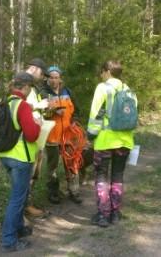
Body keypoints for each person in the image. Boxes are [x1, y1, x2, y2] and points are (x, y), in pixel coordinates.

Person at [87, 60, 137, 227]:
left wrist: (90, 135)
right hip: (125, 141)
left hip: (105, 141)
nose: (101, 75)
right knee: (118, 175)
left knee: (102, 176)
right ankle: (115, 213)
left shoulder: (103, 88)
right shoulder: (129, 90)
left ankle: (103, 214)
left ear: (107, 71)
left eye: (102, 72)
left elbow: (96, 114)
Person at [0, 72, 41, 252]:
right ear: (25, 87)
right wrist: (37, 123)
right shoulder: (22, 106)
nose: (30, 89)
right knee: (17, 199)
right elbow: (31, 135)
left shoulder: (4, 104)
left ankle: (19, 229)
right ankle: (9, 240)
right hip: (21, 158)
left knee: (19, 196)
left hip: (5, 156)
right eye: (29, 87)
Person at [41, 65, 82, 204]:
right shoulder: (43, 93)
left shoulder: (68, 92)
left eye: (56, 77)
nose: (54, 80)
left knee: (71, 163)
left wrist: (74, 122)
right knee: (52, 166)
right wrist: (53, 112)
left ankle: (74, 191)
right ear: (47, 78)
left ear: (60, 78)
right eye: (51, 77)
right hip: (52, 136)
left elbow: (77, 110)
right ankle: (53, 193)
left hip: (69, 136)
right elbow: (40, 114)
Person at [24, 58, 50, 217]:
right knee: (25, 176)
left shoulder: (33, 87)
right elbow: (17, 105)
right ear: (34, 69)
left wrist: (43, 111)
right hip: (25, 140)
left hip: (36, 138)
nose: (43, 78)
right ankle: (22, 211)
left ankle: (28, 205)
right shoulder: (21, 82)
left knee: (34, 174)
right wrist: (39, 106)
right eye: (42, 74)